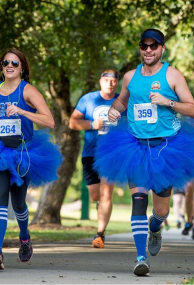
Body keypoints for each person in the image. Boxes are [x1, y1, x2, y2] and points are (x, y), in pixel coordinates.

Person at [93, 28, 194, 276]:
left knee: (160, 210)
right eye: (144, 46)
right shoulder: (129, 77)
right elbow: (122, 101)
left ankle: (155, 228)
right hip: (135, 146)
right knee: (138, 200)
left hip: (167, 149)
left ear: (162, 49)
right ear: (140, 49)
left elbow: (192, 110)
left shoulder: (173, 75)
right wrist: (114, 110)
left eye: (153, 46)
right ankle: (140, 257)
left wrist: (167, 102)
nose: (148, 50)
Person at [0, 49, 62, 270]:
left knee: (18, 204)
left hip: (23, 152)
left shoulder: (29, 91)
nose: (10, 66)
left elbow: (49, 121)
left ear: (21, 67)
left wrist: (23, 112)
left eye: (14, 63)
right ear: (1, 66)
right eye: (5, 62)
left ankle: (24, 237)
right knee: (0, 198)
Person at [69, 69, 122, 248]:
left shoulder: (123, 101)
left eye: (114, 81)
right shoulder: (88, 99)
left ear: (117, 83)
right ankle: (101, 206)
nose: (110, 83)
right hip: (91, 153)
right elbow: (72, 122)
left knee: (107, 192)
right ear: (100, 81)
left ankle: (100, 234)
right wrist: (92, 124)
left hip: (113, 154)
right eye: (107, 80)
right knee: (95, 195)